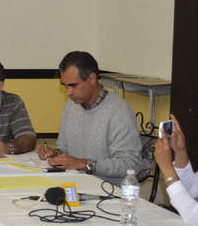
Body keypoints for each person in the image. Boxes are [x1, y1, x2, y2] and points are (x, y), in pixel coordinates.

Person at [39, 51, 141, 182]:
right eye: (65, 86)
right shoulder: (71, 105)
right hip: (74, 182)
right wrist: (55, 153)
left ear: (92, 79)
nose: (68, 92)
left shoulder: (119, 111)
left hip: (107, 189)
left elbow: (130, 164)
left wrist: (85, 164)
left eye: (73, 85)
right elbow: (64, 148)